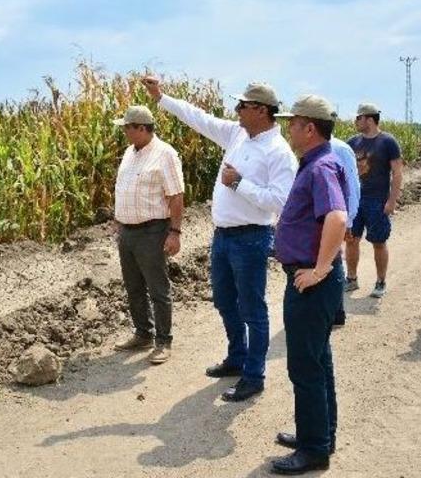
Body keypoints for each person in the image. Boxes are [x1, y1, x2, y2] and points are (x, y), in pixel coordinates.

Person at [142, 76, 296, 401]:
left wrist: (240, 184)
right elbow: (200, 119)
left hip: (252, 238)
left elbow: (280, 202)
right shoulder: (239, 134)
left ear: (261, 111)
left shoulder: (279, 152)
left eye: (242, 105)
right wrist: (161, 98)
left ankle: (254, 375)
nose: (236, 109)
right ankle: (237, 357)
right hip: (224, 237)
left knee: (253, 309)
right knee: (224, 301)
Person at [270, 94, 347, 474]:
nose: (288, 128)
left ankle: (314, 449)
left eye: (293, 123)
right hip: (310, 279)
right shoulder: (316, 164)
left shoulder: (321, 168)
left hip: (310, 282)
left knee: (304, 365)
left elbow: (337, 217)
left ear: (309, 128)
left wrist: (319, 269)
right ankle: (319, 435)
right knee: (318, 360)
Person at [111, 105, 185, 365]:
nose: (124, 132)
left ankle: (163, 341)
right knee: (133, 286)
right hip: (128, 232)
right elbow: (124, 189)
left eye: (127, 128)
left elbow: (176, 196)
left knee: (157, 288)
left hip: (153, 230)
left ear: (141, 128)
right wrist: (119, 221)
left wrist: (174, 233)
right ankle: (143, 333)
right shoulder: (129, 153)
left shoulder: (165, 154)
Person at [345, 103, 402, 298]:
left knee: (378, 241)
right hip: (355, 201)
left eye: (358, 118)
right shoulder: (352, 143)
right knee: (351, 239)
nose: (355, 121)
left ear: (369, 119)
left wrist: (392, 201)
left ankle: (380, 281)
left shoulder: (388, 142)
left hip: (377, 201)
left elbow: (397, 173)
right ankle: (351, 279)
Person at [331, 134, 360, 327]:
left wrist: (349, 221)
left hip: (335, 216)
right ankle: (333, 310)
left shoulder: (340, 149)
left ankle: (336, 312)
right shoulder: (307, 149)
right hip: (319, 217)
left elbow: (352, 185)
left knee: (332, 260)